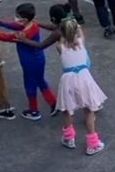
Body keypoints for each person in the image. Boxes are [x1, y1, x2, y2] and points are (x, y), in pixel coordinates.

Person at [30, 16, 106, 155]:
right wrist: (76, 28)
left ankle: (68, 138)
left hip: (68, 79)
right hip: (83, 77)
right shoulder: (81, 42)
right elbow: (80, 32)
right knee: (89, 110)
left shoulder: (60, 46)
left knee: (67, 109)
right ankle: (92, 144)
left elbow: (63, 39)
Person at [0, 3, 58, 120]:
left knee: (30, 85)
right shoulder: (32, 25)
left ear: (25, 19)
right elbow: (16, 25)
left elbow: (7, 37)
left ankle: (34, 111)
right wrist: (0, 22)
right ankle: (53, 103)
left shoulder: (26, 33)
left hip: (30, 62)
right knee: (40, 81)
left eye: (18, 16)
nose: (16, 18)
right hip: (37, 60)